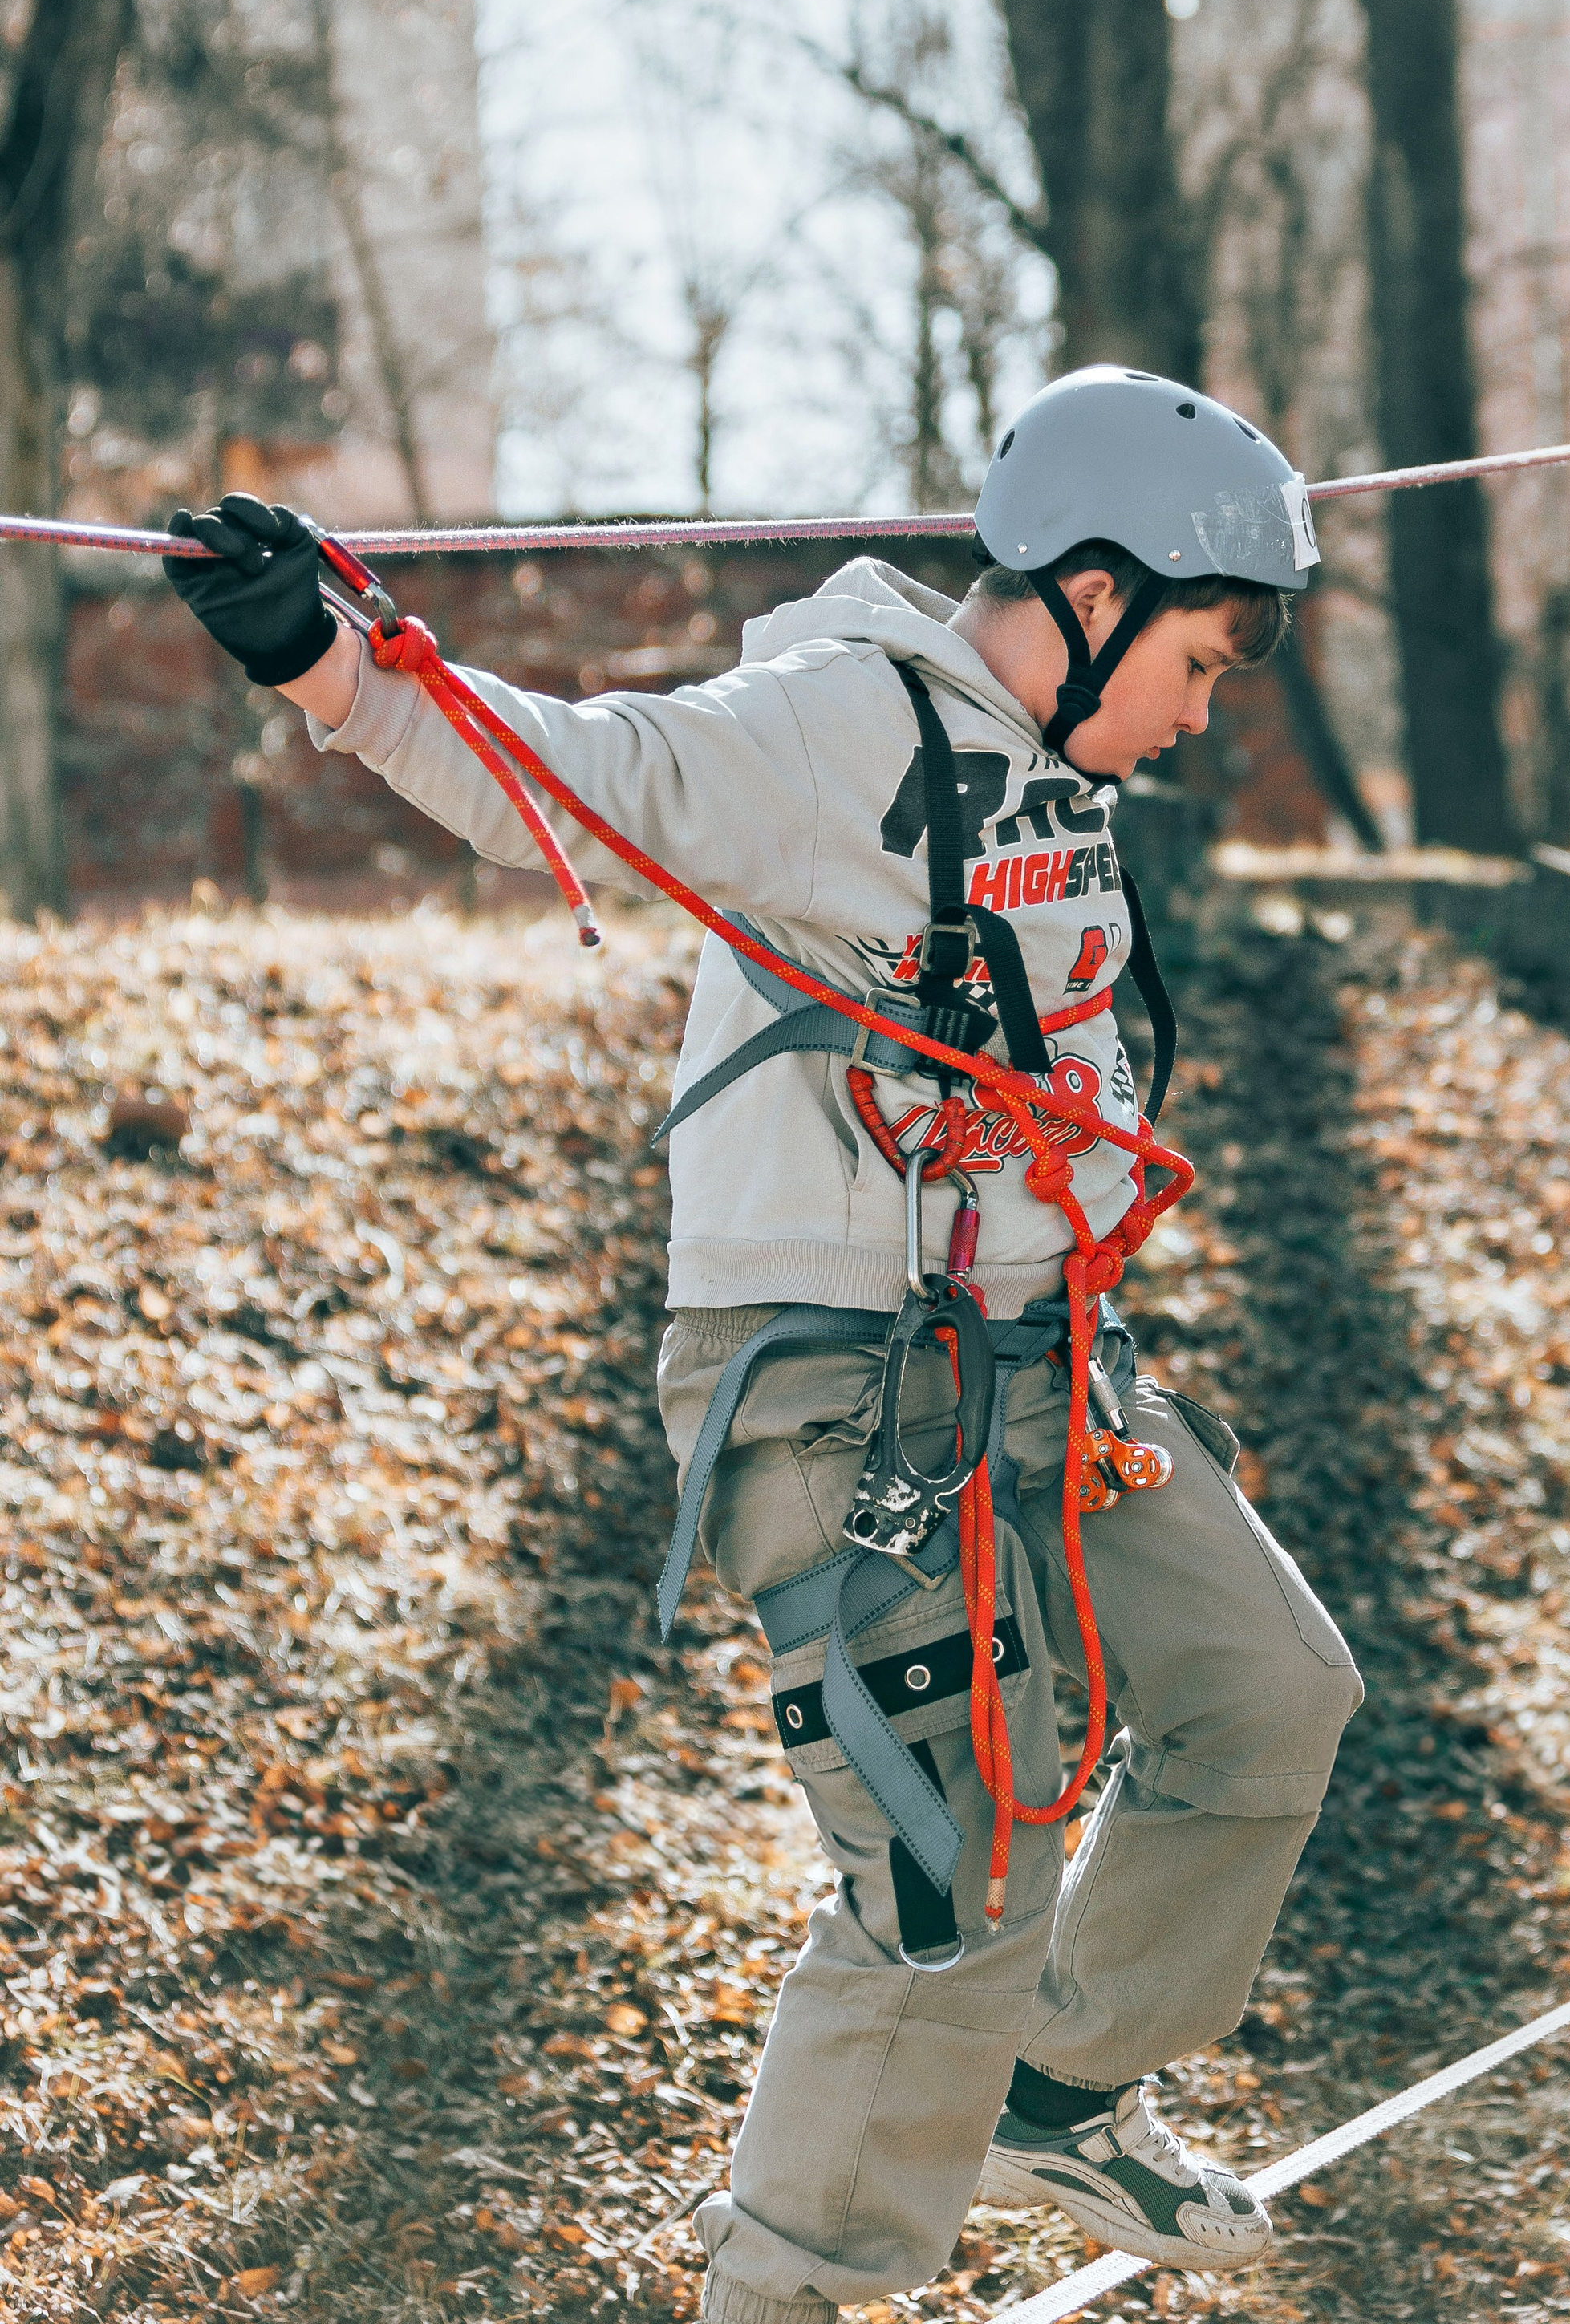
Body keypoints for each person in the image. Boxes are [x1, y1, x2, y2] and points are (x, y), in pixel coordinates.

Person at [167, 364, 1362, 2321]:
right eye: (1203, 661)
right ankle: (784, 2293)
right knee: (944, 1887)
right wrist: (318, 651)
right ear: (1084, 594)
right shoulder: (831, 725)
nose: (1200, 711)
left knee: (1265, 1698)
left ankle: (1054, 2086)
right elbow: (565, 766)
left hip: (1045, 1351)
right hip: (834, 1379)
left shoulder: (1058, 763)